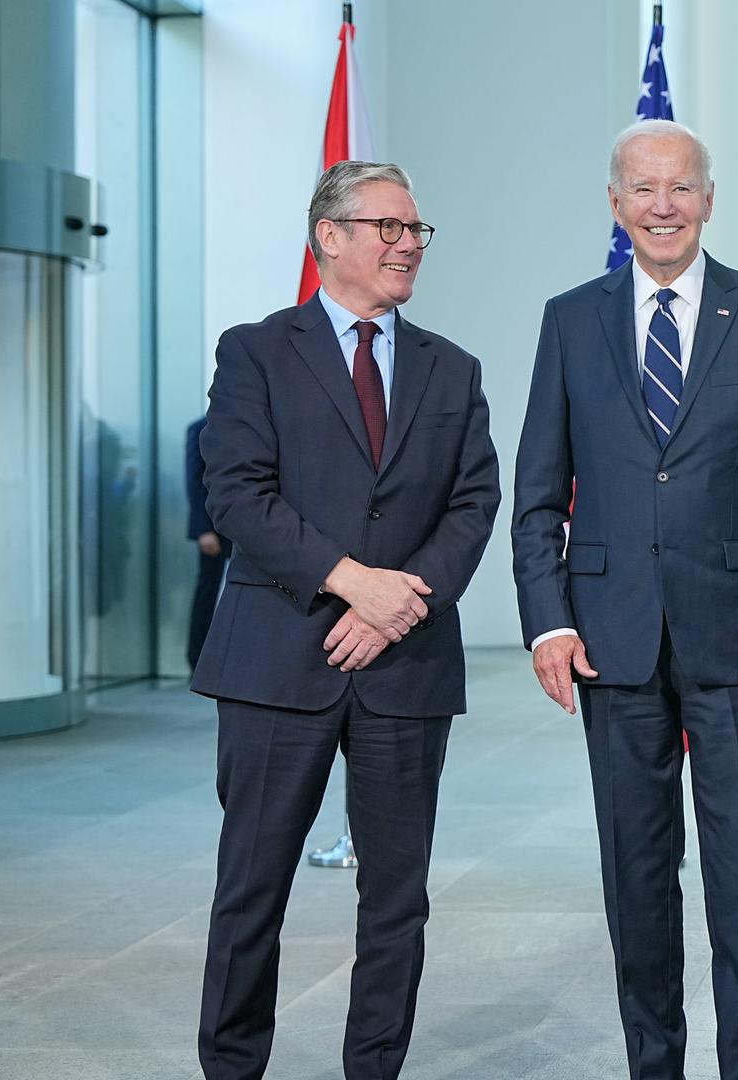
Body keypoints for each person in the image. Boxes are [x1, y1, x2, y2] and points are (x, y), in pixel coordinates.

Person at [510, 119, 738, 1080]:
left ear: (708, 198)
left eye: (680, 187)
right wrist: (548, 619)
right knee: (636, 879)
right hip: (611, 646)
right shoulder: (570, 320)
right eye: (643, 189)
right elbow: (537, 492)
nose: (663, 205)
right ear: (614, 203)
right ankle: (654, 1064)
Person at [193, 160, 500, 1080]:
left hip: (404, 665)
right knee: (252, 892)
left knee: (397, 901)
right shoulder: (256, 350)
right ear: (330, 236)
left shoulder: (453, 366)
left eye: (416, 232)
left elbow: (473, 504)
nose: (408, 245)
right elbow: (238, 494)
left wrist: (395, 604)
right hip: (276, 661)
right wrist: (349, 582)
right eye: (388, 228)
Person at [185, 416, 231, 670]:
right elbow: (194, 481)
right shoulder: (200, 428)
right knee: (207, 592)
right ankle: (197, 660)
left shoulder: (251, 422)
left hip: (249, 527)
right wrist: (202, 529)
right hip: (214, 528)